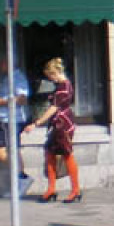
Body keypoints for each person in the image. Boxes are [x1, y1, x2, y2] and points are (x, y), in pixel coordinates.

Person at [22, 57, 82, 203]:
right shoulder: (62, 85)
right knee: (50, 154)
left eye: (50, 76)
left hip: (63, 125)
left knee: (66, 154)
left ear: (55, 73)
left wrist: (36, 123)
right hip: (57, 124)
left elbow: (53, 108)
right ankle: (51, 189)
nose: (50, 79)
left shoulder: (63, 87)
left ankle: (75, 190)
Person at [0, 56, 32, 198]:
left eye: (3, 63)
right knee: (12, 150)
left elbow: (22, 99)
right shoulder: (7, 78)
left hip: (12, 120)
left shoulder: (18, 78)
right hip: (5, 119)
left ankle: (22, 178)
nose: (0, 66)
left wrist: (0, 102)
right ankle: (21, 180)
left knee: (2, 151)